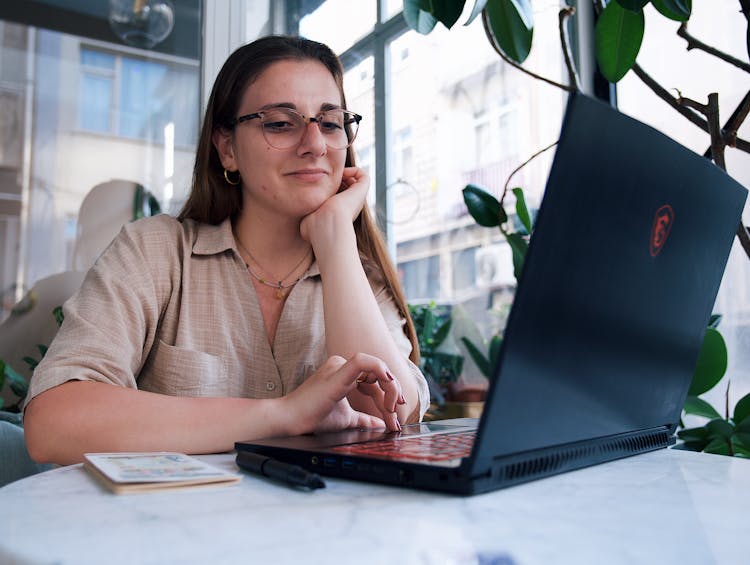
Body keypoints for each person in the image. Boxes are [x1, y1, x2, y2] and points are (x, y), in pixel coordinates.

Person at [23, 35, 429, 466]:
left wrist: (335, 238)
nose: (315, 144)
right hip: (166, 528)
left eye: (330, 123)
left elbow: (390, 418)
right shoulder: (157, 252)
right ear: (228, 148)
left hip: (322, 529)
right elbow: (54, 424)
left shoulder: (359, 275)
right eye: (280, 123)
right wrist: (280, 415)